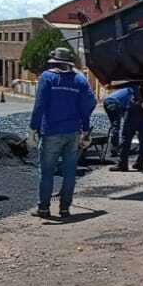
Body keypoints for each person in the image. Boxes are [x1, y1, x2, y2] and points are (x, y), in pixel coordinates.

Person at [30, 47, 96, 218]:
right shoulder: (79, 80)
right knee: (69, 172)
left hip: (51, 131)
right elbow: (90, 102)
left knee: (46, 172)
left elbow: (40, 105)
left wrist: (33, 127)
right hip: (73, 133)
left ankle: (44, 208)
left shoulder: (47, 77)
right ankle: (65, 208)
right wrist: (86, 128)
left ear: (53, 62)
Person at [113, 88, 143, 172]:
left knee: (126, 137)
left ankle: (122, 163)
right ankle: (140, 163)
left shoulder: (134, 78)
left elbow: (132, 91)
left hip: (134, 107)